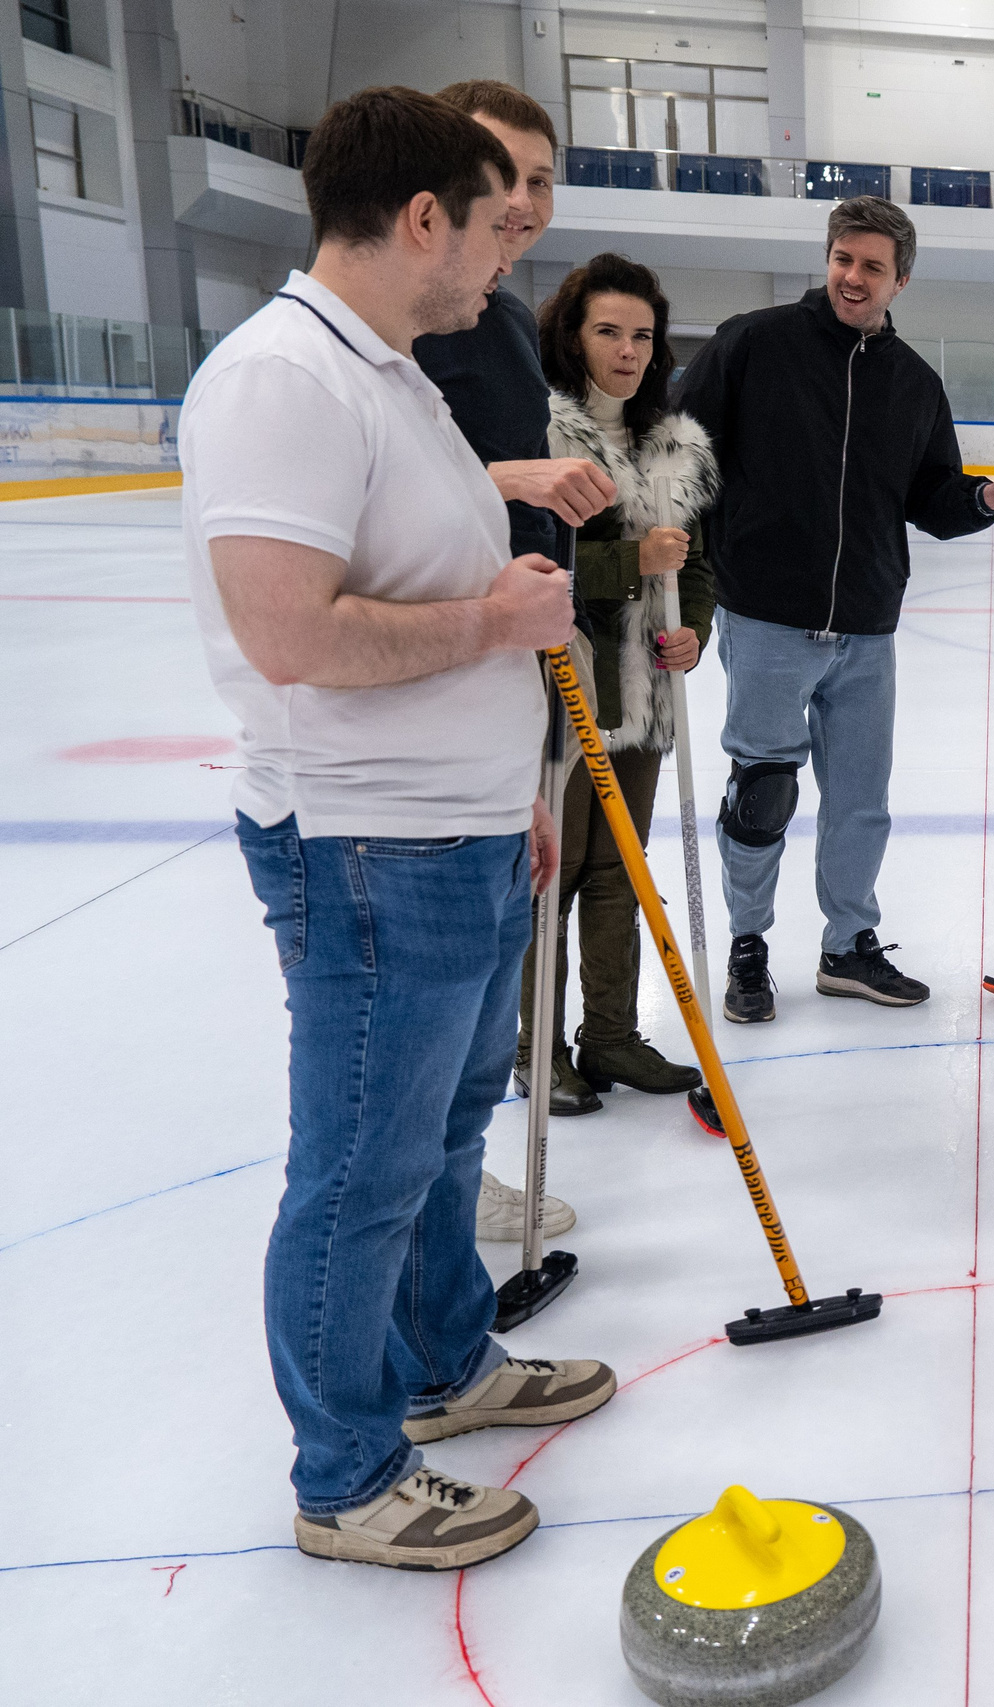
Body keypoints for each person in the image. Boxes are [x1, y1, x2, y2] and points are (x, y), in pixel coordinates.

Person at [184, 86, 617, 1574]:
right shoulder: (280, 381)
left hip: (464, 829)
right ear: (420, 217)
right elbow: (293, 632)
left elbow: (403, 521)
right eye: (495, 226)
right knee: (361, 1169)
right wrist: (498, 618)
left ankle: (447, 1363)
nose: (510, 256)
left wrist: (513, 798)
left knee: (440, 1140)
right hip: (367, 846)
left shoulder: (395, 372)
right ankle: (348, 1468)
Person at [673, 197, 994, 1023]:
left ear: (899, 280)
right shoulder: (753, 342)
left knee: (861, 800)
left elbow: (934, 496)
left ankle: (848, 944)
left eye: (873, 266)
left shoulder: (913, 382)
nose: (853, 276)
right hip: (767, 614)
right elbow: (682, 454)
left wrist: (989, 495)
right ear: (829, 259)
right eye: (844, 258)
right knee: (762, 790)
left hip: (868, 627)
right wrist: (681, 568)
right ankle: (748, 944)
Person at [414, 79, 614, 1240]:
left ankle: (457, 1166)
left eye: (543, 178)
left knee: (497, 946)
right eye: (506, 174)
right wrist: (519, 482)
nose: (526, 201)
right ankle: (432, 1194)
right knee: (442, 977)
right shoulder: (412, 317)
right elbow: (387, 488)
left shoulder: (496, 315)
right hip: (431, 676)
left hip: (513, 658)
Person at [521, 253, 718, 1106]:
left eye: (642, 334)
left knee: (619, 871)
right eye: (609, 330)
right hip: (567, 688)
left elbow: (696, 567)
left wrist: (694, 633)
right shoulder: (545, 436)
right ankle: (538, 1044)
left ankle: (609, 1035)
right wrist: (628, 559)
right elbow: (535, 563)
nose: (628, 350)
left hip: (645, 700)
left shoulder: (676, 446)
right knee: (555, 871)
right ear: (573, 334)